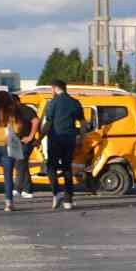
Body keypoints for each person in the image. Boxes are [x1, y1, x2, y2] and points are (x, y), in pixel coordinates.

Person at [42, 79, 85, 210]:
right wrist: (81, 138)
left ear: (55, 88)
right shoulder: (75, 103)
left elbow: (48, 123)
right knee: (67, 168)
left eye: (52, 88)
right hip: (70, 139)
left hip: (55, 139)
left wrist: (39, 137)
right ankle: (68, 200)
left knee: (51, 167)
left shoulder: (52, 103)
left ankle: (56, 193)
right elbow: (83, 123)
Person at [13, 100, 40, 198]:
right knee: (21, 164)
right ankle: (27, 189)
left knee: (20, 162)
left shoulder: (25, 110)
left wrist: (31, 136)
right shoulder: (13, 111)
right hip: (17, 141)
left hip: (26, 141)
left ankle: (18, 188)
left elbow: (36, 121)